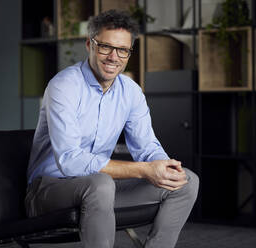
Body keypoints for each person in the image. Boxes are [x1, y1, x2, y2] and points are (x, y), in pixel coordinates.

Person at [25, 9, 199, 248]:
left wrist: (162, 166)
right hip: (49, 191)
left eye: (123, 50)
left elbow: (147, 146)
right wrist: (144, 170)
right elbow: (70, 161)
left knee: (186, 181)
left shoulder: (131, 91)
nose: (113, 57)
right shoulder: (64, 86)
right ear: (89, 45)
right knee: (101, 183)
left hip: (100, 191)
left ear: (129, 53)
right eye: (105, 47)